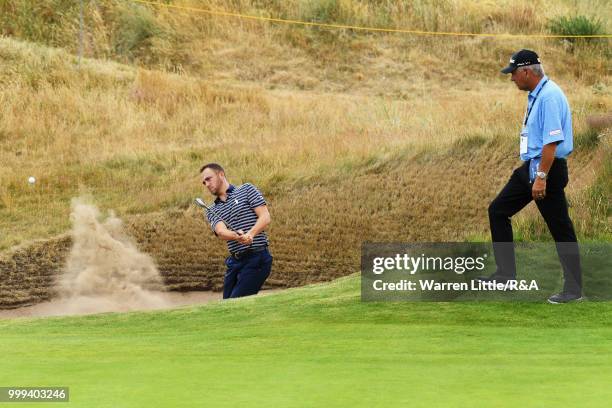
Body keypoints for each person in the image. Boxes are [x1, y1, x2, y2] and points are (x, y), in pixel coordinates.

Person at [481, 49, 583, 303]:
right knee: (498, 210)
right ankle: (506, 276)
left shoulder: (548, 97)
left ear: (527, 71)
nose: (511, 78)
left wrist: (541, 177)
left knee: (560, 228)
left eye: (513, 73)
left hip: (547, 169)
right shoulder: (537, 94)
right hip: (532, 167)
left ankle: (573, 290)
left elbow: (552, 143)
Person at [199, 163, 273, 299]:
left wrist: (250, 234)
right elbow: (221, 231)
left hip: (257, 258)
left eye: (209, 179)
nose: (207, 184)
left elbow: (265, 217)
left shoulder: (246, 190)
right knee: (227, 305)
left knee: (236, 302)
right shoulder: (212, 210)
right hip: (235, 262)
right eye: (204, 182)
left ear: (221, 174)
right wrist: (236, 236)